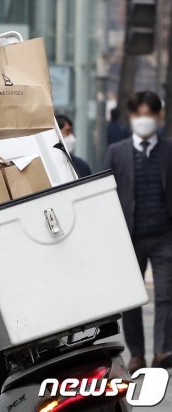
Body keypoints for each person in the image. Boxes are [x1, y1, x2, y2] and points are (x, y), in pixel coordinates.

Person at [104, 90, 172, 373]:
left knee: (166, 294)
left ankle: (162, 351)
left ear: (157, 117)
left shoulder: (169, 150)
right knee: (132, 298)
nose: (144, 119)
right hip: (129, 236)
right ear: (131, 117)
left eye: (149, 114)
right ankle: (137, 355)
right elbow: (106, 193)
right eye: (139, 114)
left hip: (164, 236)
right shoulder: (116, 152)